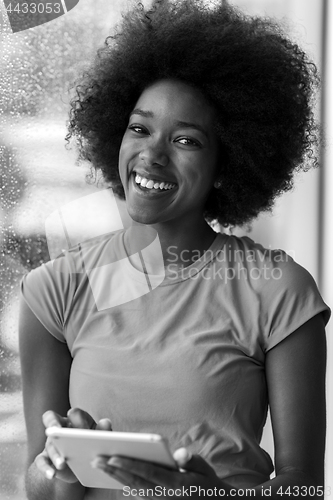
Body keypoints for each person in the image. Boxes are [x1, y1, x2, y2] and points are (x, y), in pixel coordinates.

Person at [19, 1, 331, 499]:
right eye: (139, 129)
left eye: (186, 140)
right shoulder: (54, 291)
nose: (152, 154)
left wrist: (210, 497)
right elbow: (36, 486)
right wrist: (58, 467)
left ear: (227, 164)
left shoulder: (276, 289)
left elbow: (304, 488)